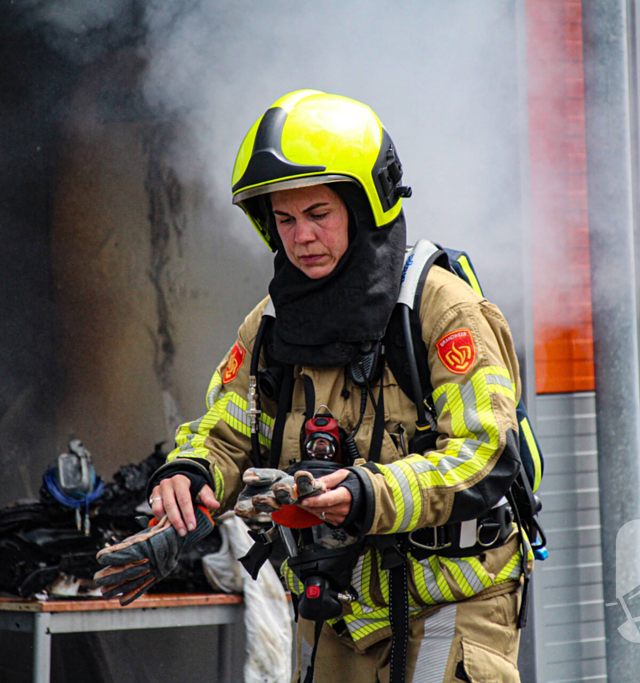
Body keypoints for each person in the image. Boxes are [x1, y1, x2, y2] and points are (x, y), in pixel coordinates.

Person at [104, 90, 526, 683]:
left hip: (449, 604)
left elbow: (484, 455)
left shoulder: (441, 312)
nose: (300, 237)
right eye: (284, 218)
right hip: (334, 611)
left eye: (318, 214)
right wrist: (190, 477)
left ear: (363, 206)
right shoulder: (272, 323)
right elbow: (228, 433)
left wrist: (365, 493)